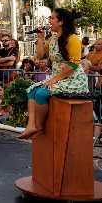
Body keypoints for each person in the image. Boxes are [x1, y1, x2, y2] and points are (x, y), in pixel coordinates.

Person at [19, 9, 89, 139]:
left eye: (52, 18)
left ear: (61, 21)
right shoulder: (52, 38)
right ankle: (31, 126)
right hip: (59, 78)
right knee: (31, 91)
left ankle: (39, 127)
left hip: (73, 79)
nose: (49, 21)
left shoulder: (72, 38)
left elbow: (73, 65)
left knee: (41, 93)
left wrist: (54, 79)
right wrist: (40, 38)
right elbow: (40, 56)